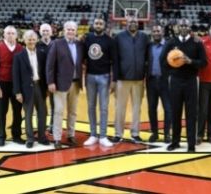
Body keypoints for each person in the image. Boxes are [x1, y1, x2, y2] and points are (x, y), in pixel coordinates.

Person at [160, 18, 207, 152]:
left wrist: (190, 61)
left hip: (191, 81)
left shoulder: (197, 43)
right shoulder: (171, 42)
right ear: (177, 27)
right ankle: (175, 142)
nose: (184, 27)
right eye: (181, 25)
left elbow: (204, 63)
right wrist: (171, 71)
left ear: (190, 27)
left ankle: (191, 144)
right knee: (176, 112)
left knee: (191, 113)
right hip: (175, 81)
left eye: (186, 25)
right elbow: (162, 61)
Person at [46, 21, 84, 149]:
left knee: (72, 112)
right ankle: (57, 138)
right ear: (64, 30)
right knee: (58, 112)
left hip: (76, 83)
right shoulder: (57, 43)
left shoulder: (79, 45)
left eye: (73, 29)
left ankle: (70, 134)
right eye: (68, 29)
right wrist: (50, 81)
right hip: (60, 83)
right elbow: (50, 64)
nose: (71, 31)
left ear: (76, 31)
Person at [112, 16, 149, 143]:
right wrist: (115, 78)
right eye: (130, 22)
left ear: (138, 24)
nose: (132, 23)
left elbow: (148, 57)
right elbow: (115, 59)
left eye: (134, 22)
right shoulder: (119, 37)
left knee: (137, 108)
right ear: (125, 24)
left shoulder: (144, 37)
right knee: (120, 107)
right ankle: (118, 133)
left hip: (139, 79)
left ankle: (135, 132)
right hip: (123, 79)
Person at [83, 17, 117, 147]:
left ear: (104, 26)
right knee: (91, 107)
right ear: (93, 25)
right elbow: (83, 56)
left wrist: (114, 80)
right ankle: (93, 135)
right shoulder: (87, 38)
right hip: (90, 77)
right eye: (96, 23)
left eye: (100, 23)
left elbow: (115, 61)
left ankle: (103, 136)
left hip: (104, 77)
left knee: (103, 108)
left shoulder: (110, 41)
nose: (98, 25)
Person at [13, 30, 49, 148]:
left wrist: (47, 86)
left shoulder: (42, 53)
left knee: (42, 113)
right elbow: (16, 75)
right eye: (29, 38)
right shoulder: (18, 56)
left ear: (37, 40)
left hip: (40, 86)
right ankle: (30, 139)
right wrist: (17, 92)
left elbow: (45, 72)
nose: (31, 41)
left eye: (33, 38)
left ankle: (42, 137)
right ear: (24, 40)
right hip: (26, 89)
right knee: (28, 114)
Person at [0, 25, 24, 146]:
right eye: (8, 33)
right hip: (2, 84)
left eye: (12, 33)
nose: (10, 35)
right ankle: (1, 136)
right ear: (4, 34)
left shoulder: (20, 48)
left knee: (18, 111)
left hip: (17, 85)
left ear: (16, 35)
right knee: (1, 112)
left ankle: (16, 135)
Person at [146, 25, 171, 143]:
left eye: (158, 31)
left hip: (165, 81)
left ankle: (167, 134)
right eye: (154, 31)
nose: (156, 33)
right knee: (151, 108)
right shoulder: (149, 46)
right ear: (151, 33)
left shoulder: (169, 45)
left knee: (168, 108)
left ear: (163, 32)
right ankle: (154, 133)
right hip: (151, 81)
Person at [36, 23, 54, 132]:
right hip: (40, 80)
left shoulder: (55, 44)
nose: (45, 33)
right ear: (40, 32)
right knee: (42, 106)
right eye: (43, 30)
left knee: (54, 105)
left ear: (51, 32)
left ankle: (52, 126)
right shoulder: (36, 45)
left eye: (47, 30)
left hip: (53, 81)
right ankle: (42, 125)